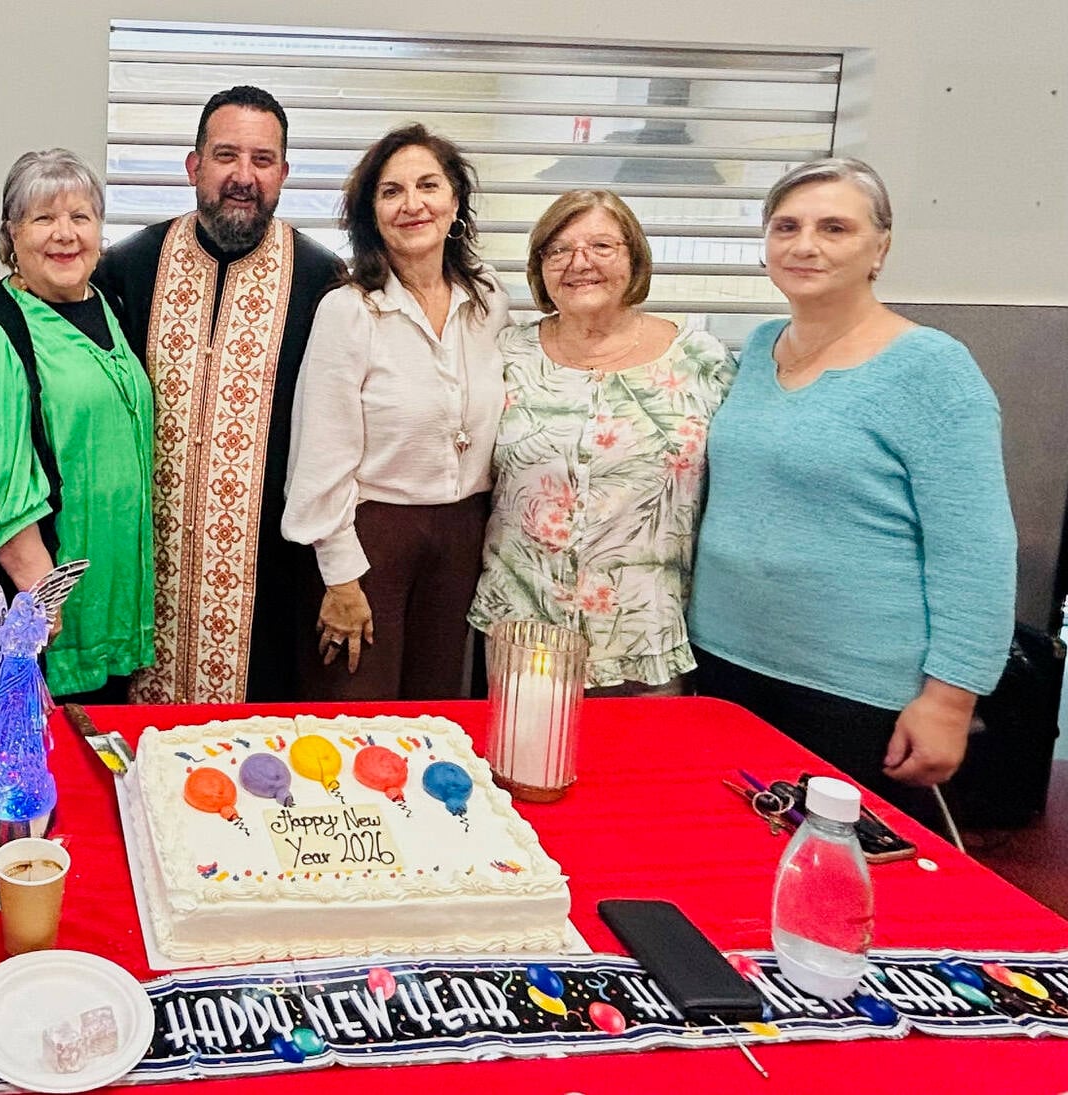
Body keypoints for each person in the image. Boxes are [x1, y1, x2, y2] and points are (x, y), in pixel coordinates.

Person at [690, 157, 1016, 826]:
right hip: (724, 664)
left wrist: (951, 699)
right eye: (787, 227)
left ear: (880, 248)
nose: (805, 245)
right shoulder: (759, 349)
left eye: (834, 228)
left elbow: (976, 551)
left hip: (855, 690)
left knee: (839, 869)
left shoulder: (931, 369)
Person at [102, 87, 343, 705]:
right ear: (194, 166)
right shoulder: (126, 268)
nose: (243, 177)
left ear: (283, 174)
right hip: (140, 575)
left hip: (271, 591)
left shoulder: (325, 283)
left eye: (262, 160)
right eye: (226, 155)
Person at [468, 190, 736, 695]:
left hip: (648, 634)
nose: (579, 263)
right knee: (524, 748)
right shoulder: (506, 355)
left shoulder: (701, 360)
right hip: (523, 631)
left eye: (602, 247)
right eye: (558, 250)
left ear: (634, 257)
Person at [282, 125, 510, 701]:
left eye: (428, 185)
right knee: (357, 710)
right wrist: (340, 577)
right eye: (392, 191)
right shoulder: (349, 310)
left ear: (455, 202)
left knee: (436, 714)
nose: (413, 204)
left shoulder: (488, 300)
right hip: (371, 541)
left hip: (463, 537)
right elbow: (319, 452)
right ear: (371, 215)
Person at [0, 149, 154, 702]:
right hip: (43, 615)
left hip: (107, 602)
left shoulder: (108, 306)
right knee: (39, 747)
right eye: (43, 218)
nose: (65, 234)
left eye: (80, 217)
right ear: (12, 234)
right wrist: (42, 590)